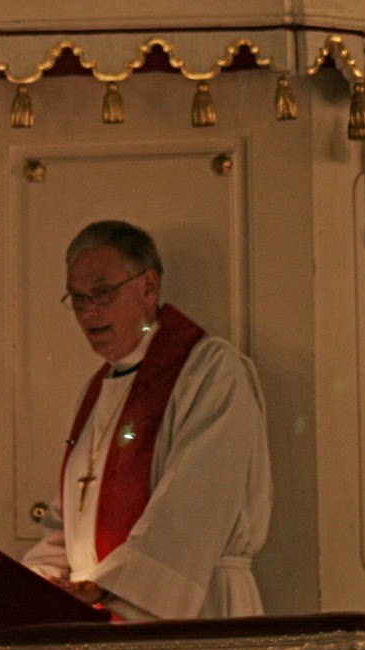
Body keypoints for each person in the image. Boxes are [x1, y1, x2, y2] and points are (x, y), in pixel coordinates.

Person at [21, 220, 271, 620]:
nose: (89, 312)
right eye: (78, 298)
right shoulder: (98, 389)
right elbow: (67, 524)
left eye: (102, 293)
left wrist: (111, 583)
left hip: (196, 606)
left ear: (148, 287)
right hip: (101, 614)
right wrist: (37, 582)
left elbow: (196, 504)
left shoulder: (208, 370)